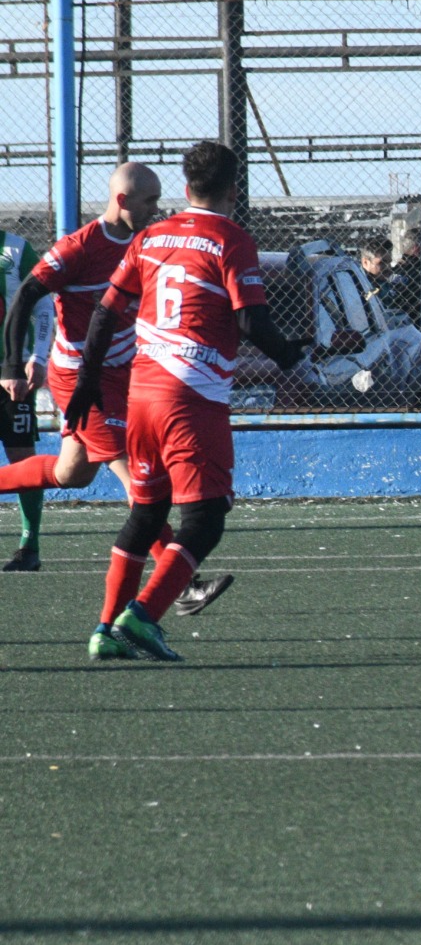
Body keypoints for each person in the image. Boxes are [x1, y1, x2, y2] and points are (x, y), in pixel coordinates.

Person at [67, 141, 310, 661]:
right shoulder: (231, 239)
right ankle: (145, 615)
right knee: (206, 518)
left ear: (184, 188)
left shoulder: (151, 235)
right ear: (234, 191)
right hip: (190, 398)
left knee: (148, 513)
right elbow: (251, 320)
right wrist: (293, 356)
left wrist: (87, 378)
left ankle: (104, 629)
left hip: (142, 394)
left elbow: (106, 312)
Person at [0, 163, 233, 614]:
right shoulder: (79, 247)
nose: (157, 209)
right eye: (149, 201)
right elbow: (26, 295)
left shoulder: (151, 240)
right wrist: (14, 363)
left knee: (73, 473)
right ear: (122, 201)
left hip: (126, 374)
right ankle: (183, 585)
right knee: (138, 479)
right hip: (80, 380)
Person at [0, 225, 45, 570]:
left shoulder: (16, 250)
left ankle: (29, 545)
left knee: (22, 459)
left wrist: (38, 356)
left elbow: (45, 306)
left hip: (11, 376)